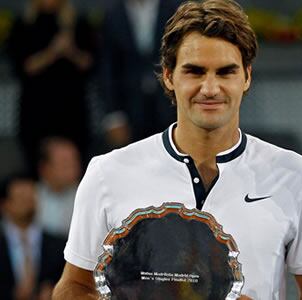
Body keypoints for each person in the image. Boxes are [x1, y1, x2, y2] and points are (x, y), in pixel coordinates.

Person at [52, 1, 302, 299]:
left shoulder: (297, 175)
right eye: (195, 72)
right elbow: (73, 288)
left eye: (226, 72)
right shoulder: (107, 173)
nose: (210, 88)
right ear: (168, 76)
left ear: (247, 77)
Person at [7, 0, 94, 176]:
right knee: (37, 168)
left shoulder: (77, 22)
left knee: (75, 169)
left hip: (72, 109)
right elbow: (24, 67)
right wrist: (53, 52)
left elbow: (89, 63)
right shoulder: (23, 24)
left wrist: (70, 49)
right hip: (36, 110)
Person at [98, 0, 182, 144]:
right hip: (129, 111)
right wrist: (113, 115)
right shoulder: (113, 15)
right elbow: (107, 68)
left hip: (171, 107)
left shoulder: (176, 10)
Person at [0, 173, 67, 300]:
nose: (27, 203)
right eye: (21, 198)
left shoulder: (59, 246)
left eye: (31, 197)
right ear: (5, 205)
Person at [35, 137, 82, 238]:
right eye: (65, 162)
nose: (73, 167)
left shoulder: (89, 196)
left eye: (75, 161)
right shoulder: (30, 198)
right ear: (44, 168)